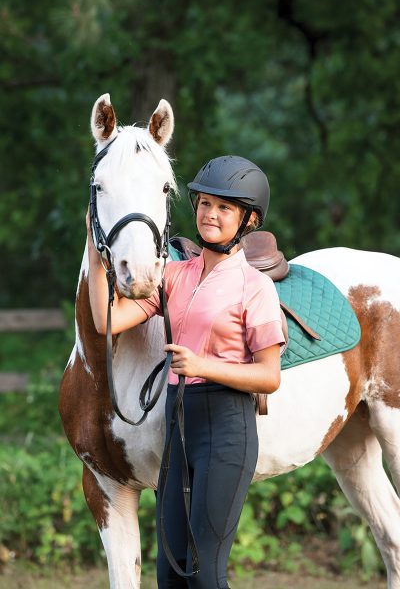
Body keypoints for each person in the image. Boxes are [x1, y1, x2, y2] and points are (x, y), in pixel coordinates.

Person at [87, 155, 286, 588]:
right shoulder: (173, 276)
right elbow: (106, 322)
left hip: (227, 430)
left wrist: (201, 365)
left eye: (225, 208)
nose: (211, 215)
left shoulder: (255, 287)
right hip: (177, 429)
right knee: (170, 574)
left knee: (205, 574)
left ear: (248, 220)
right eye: (205, 204)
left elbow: (269, 376)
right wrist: (93, 245)